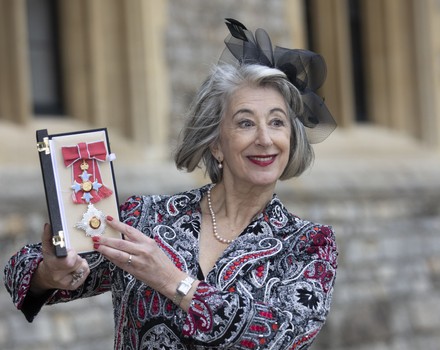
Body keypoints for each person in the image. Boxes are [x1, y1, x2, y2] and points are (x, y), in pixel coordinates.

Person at [4, 19, 338, 349]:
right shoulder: (145, 218)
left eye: (277, 123)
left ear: (291, 140)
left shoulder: (309, 245)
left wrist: (172, 281)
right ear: (216, 143)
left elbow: (280, 335)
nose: (264, 139)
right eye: (245, 123)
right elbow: (22, 269)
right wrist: (52, 273)